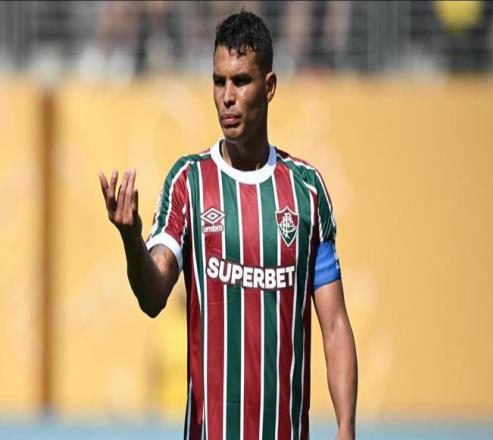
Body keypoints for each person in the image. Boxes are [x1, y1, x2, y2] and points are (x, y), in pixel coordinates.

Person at [99, 10, 357, 440]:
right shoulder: (189, 182)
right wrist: (130, 238)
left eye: (241, 81)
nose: (227, 96)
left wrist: (346, 426)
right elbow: (153, 295)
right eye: (219, 82)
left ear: (269, 87)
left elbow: (334, 325)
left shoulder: (307, 192)